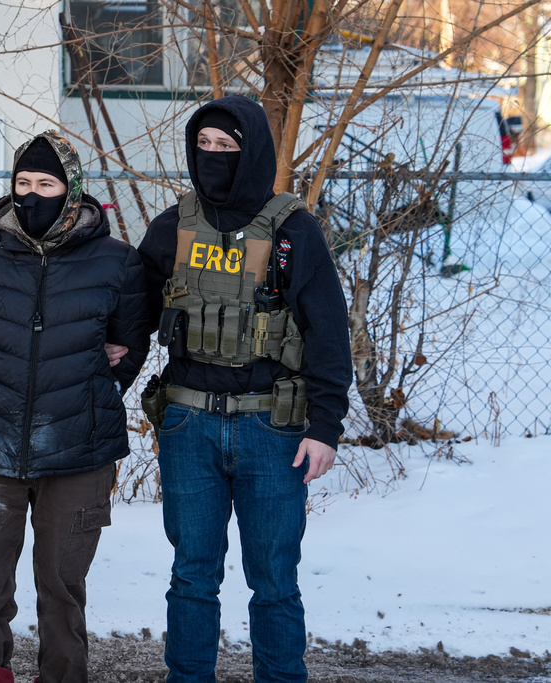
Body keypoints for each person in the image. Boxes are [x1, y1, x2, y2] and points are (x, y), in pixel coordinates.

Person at [137, 95, 353, 681]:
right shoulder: (172, 226)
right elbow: (129, 315)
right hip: (187, 425)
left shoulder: (292, 230)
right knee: (192, 575)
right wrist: (108, 374)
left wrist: (326, 426)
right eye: (202, 145)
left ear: (251, 151)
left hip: (272, 429)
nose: (212, 156)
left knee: (275, 580)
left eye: (226, 147)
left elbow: (329, 333)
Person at [0, 130, 150, 683]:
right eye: (23, 182)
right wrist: (0, 387)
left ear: (72, 191)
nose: (32, 194)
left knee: (62, 591)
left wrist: (84, 387)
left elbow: (129, 349)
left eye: (46, 183)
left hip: (77, 451)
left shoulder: (116, 262)